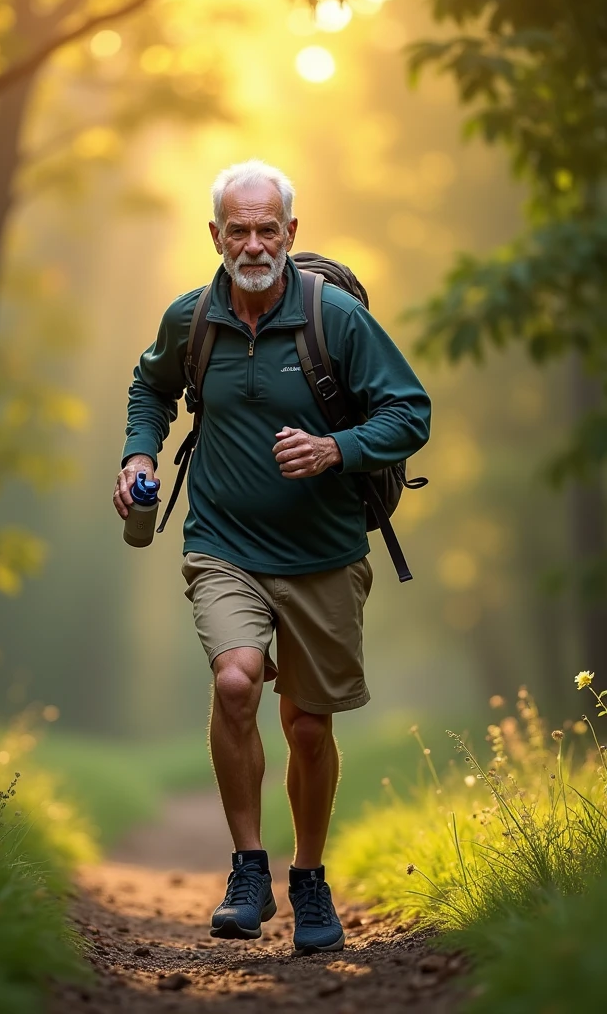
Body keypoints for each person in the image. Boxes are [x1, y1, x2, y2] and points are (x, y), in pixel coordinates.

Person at [113, 159, 431, 955]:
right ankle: (249, 867)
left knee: (310, 727)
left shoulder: (337, 322)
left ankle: (310, 877)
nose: (252, 244)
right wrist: (137, 455)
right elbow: (150, 390)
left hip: (323, 552)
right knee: (234, 681)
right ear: (215, 235)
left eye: (267, 229)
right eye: (237, 229)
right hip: (223, 543)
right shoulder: (193, 320)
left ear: (291, 232)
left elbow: (411, 411)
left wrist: (336, 449)